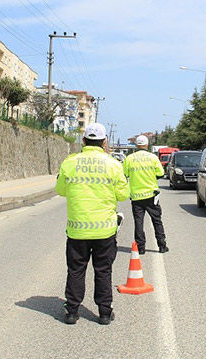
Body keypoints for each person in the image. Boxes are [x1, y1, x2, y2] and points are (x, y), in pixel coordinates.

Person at [55, 123, 130, 325]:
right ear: (105, 142)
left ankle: (72, 311)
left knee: (76, 270)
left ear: (84, 141)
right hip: (104, 230)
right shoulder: (113, 164)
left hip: (77, 229)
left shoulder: (70, 163)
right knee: (103, 270)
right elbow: (124, 194)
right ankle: (105, 313)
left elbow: (60, 190)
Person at [123, 135, 168, 255]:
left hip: (136, 196)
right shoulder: (152, 157)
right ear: (147, 145)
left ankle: (140, 248)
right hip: (151, 195)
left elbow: (125, 174)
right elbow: (161, 174)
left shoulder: (129, 158)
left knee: (139, 223)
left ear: (136, 145)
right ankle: (162, 245)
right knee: (157, 221)